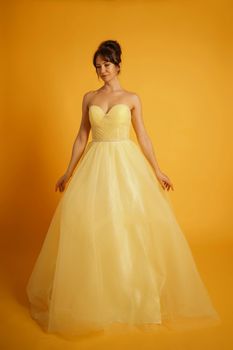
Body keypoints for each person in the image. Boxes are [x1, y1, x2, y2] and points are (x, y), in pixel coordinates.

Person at [26, 40, 221, 338]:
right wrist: (68, 172)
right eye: (97, 66)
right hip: (95, 164)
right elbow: (81, 136)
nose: (102, 71)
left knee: (128, 227)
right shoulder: (89, 97)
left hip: (125, 166)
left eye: (106, 65)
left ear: (118, 65)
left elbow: (143, 135)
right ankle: (95, 299)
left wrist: (157, 169)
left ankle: (135, 299)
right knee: (91, 228)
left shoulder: (132, 98)